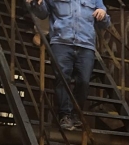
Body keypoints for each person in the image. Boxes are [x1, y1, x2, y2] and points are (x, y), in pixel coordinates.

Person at [27, 0, 110, 130]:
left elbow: (105, 23)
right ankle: (64, 114)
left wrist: (103, 15)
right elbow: (42, 14)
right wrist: (36, 3)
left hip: (86, 45)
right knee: (62, 79)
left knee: (84, 81)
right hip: (61, 42)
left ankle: (76, 113)